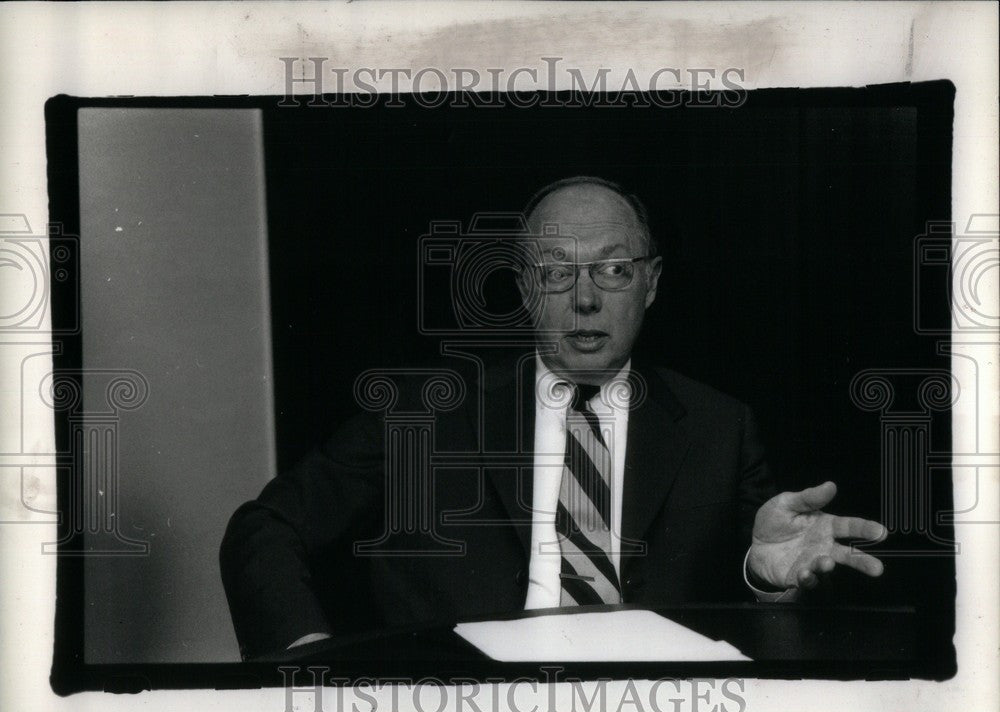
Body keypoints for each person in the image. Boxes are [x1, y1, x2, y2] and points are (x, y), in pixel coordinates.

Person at [220, 176, 888, 659]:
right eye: (557, 272)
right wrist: (304, 654)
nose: (587, 298)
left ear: (651, 283)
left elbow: (763, 592)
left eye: (615, 270)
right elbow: (264, 529)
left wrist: (761, 575)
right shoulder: (422, 417)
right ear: (522, 288)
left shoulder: (719, 427)